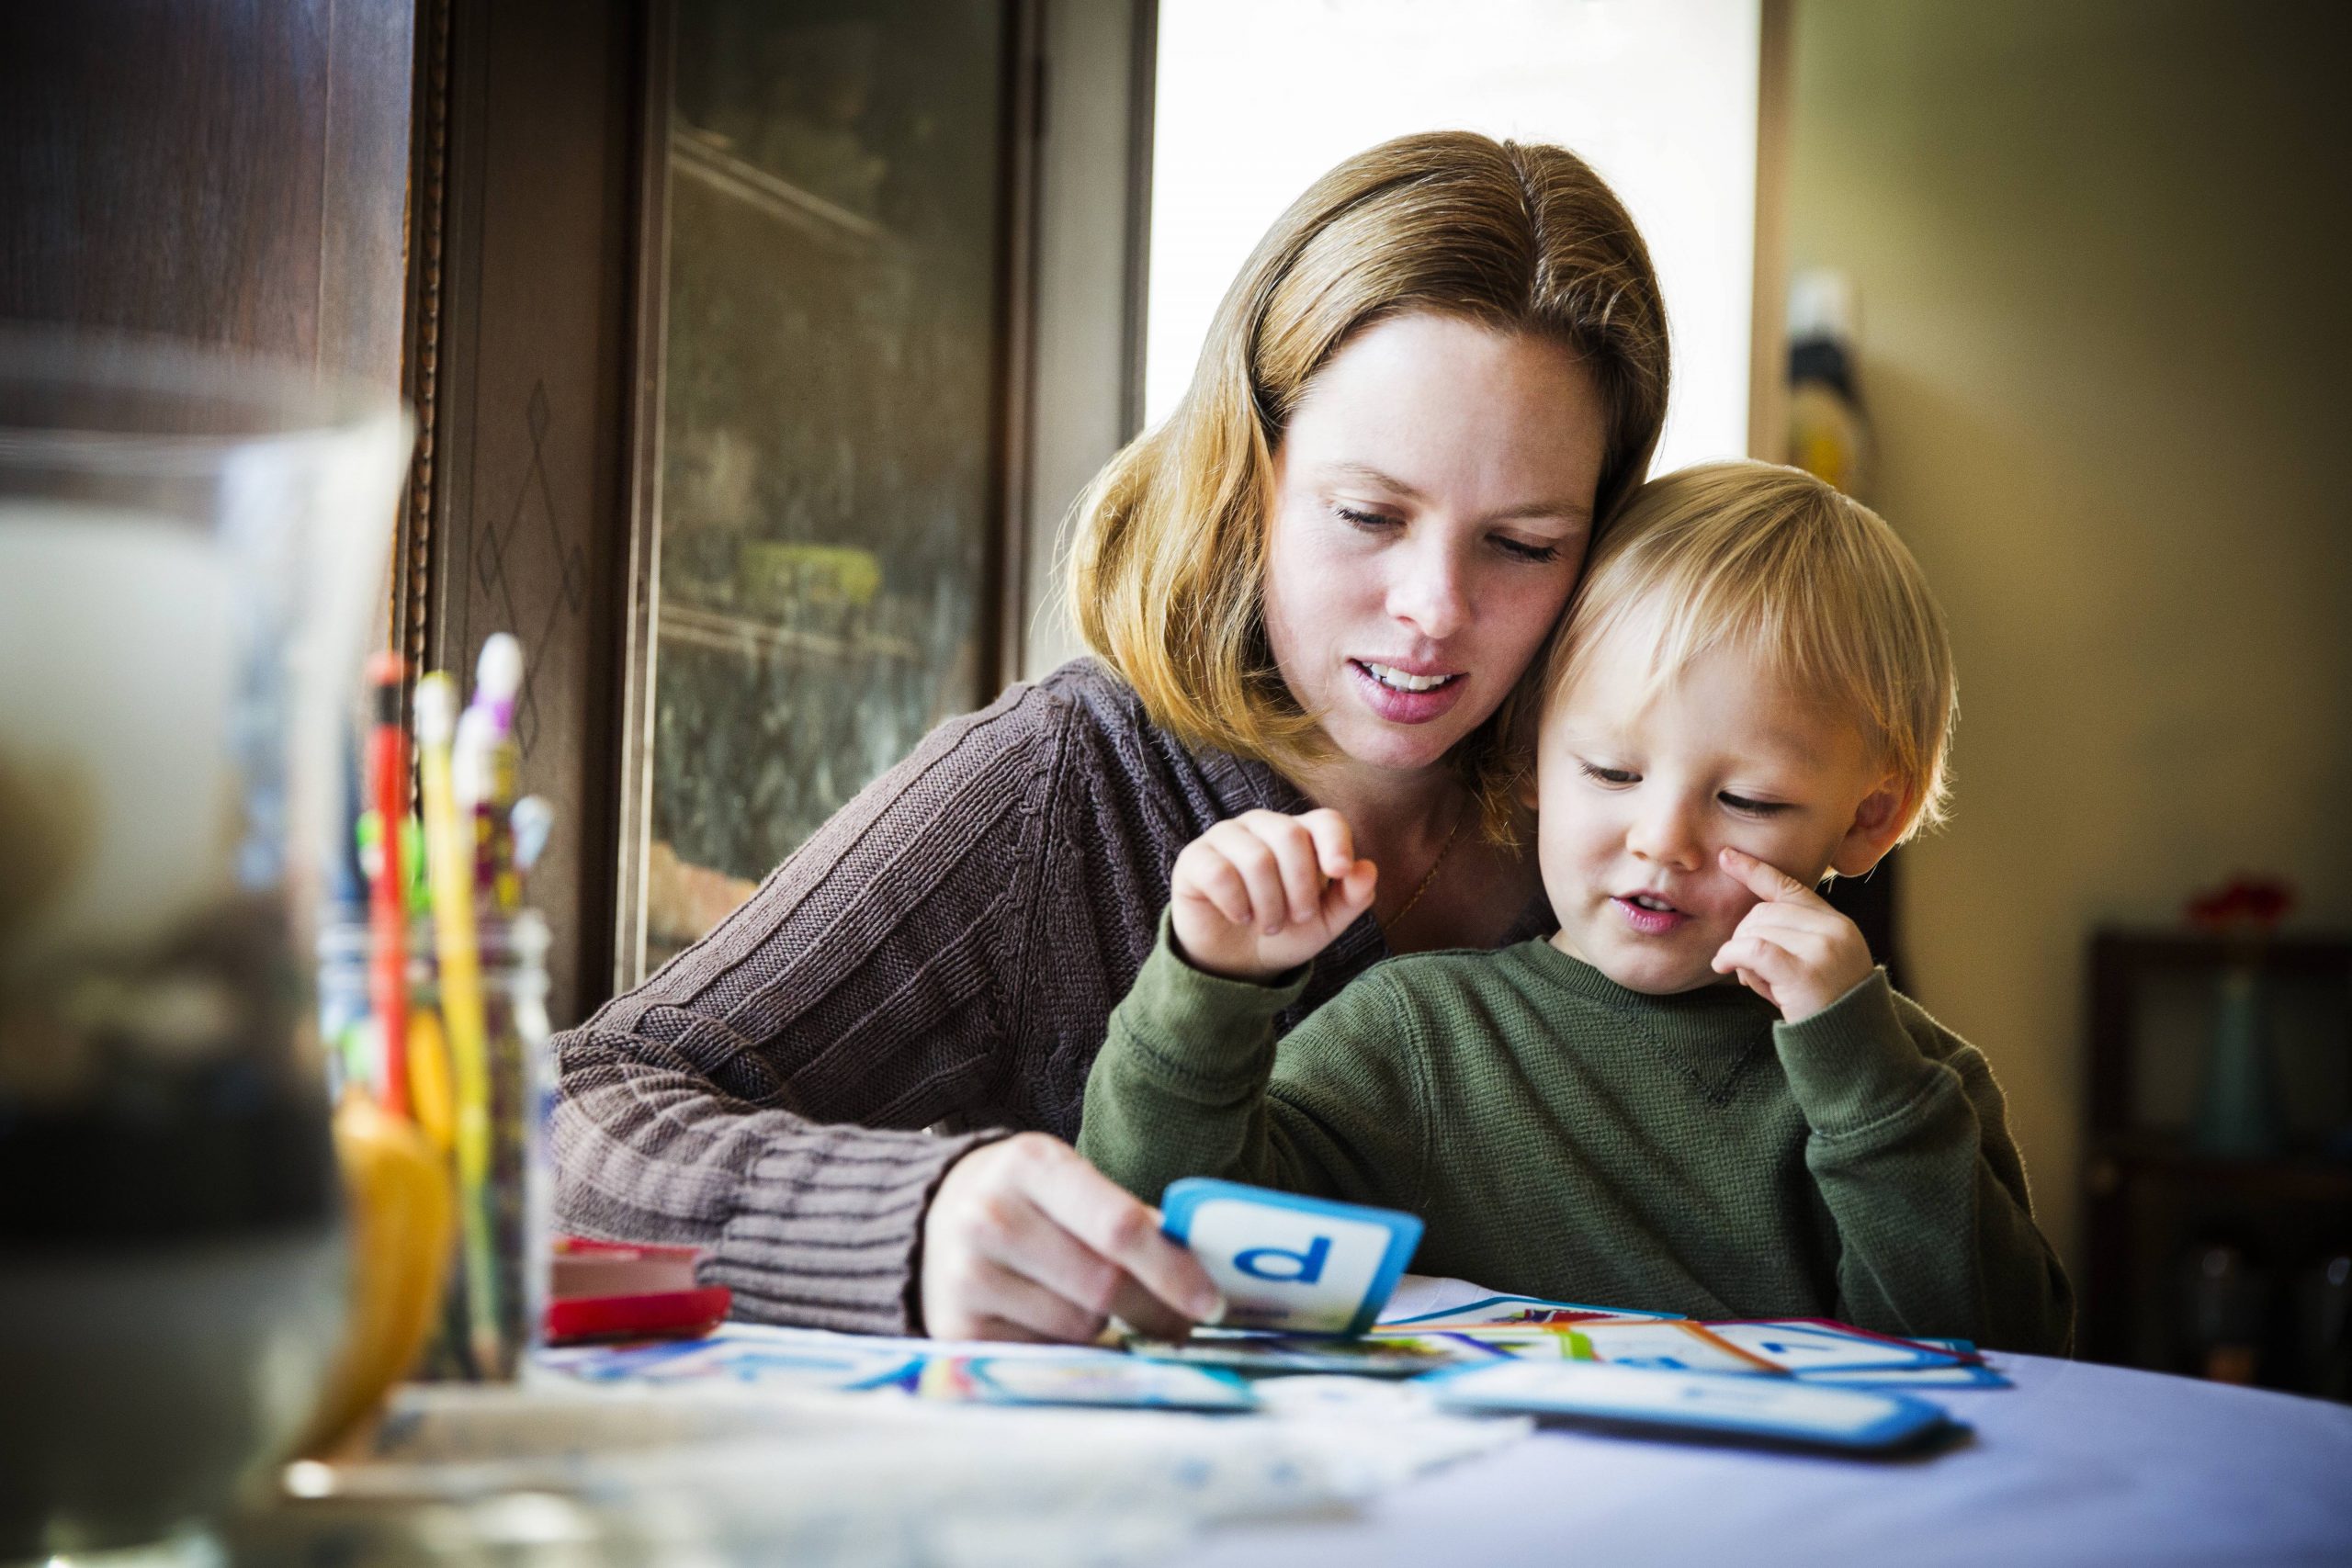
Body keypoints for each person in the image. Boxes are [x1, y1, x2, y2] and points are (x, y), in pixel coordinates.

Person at [551, 130, 1672, 1341]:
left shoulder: (1650, 822)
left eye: (1523, 543)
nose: (1435, 610)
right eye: (1366, 513)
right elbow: (559, 1111)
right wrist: (911, 1220)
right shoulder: (1060, 787)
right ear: (1247, 477)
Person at [1078, 461, 2075, 1353]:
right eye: (1610, 770)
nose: (1662, 840)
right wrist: (1207, 990)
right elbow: (1163, 1251)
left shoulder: (1910, 1082)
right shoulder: (1423, 1037)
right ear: (1527, 762)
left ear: (1868, 819)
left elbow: (2009, 1360)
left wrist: (1862, 1080)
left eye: (1747, 801)